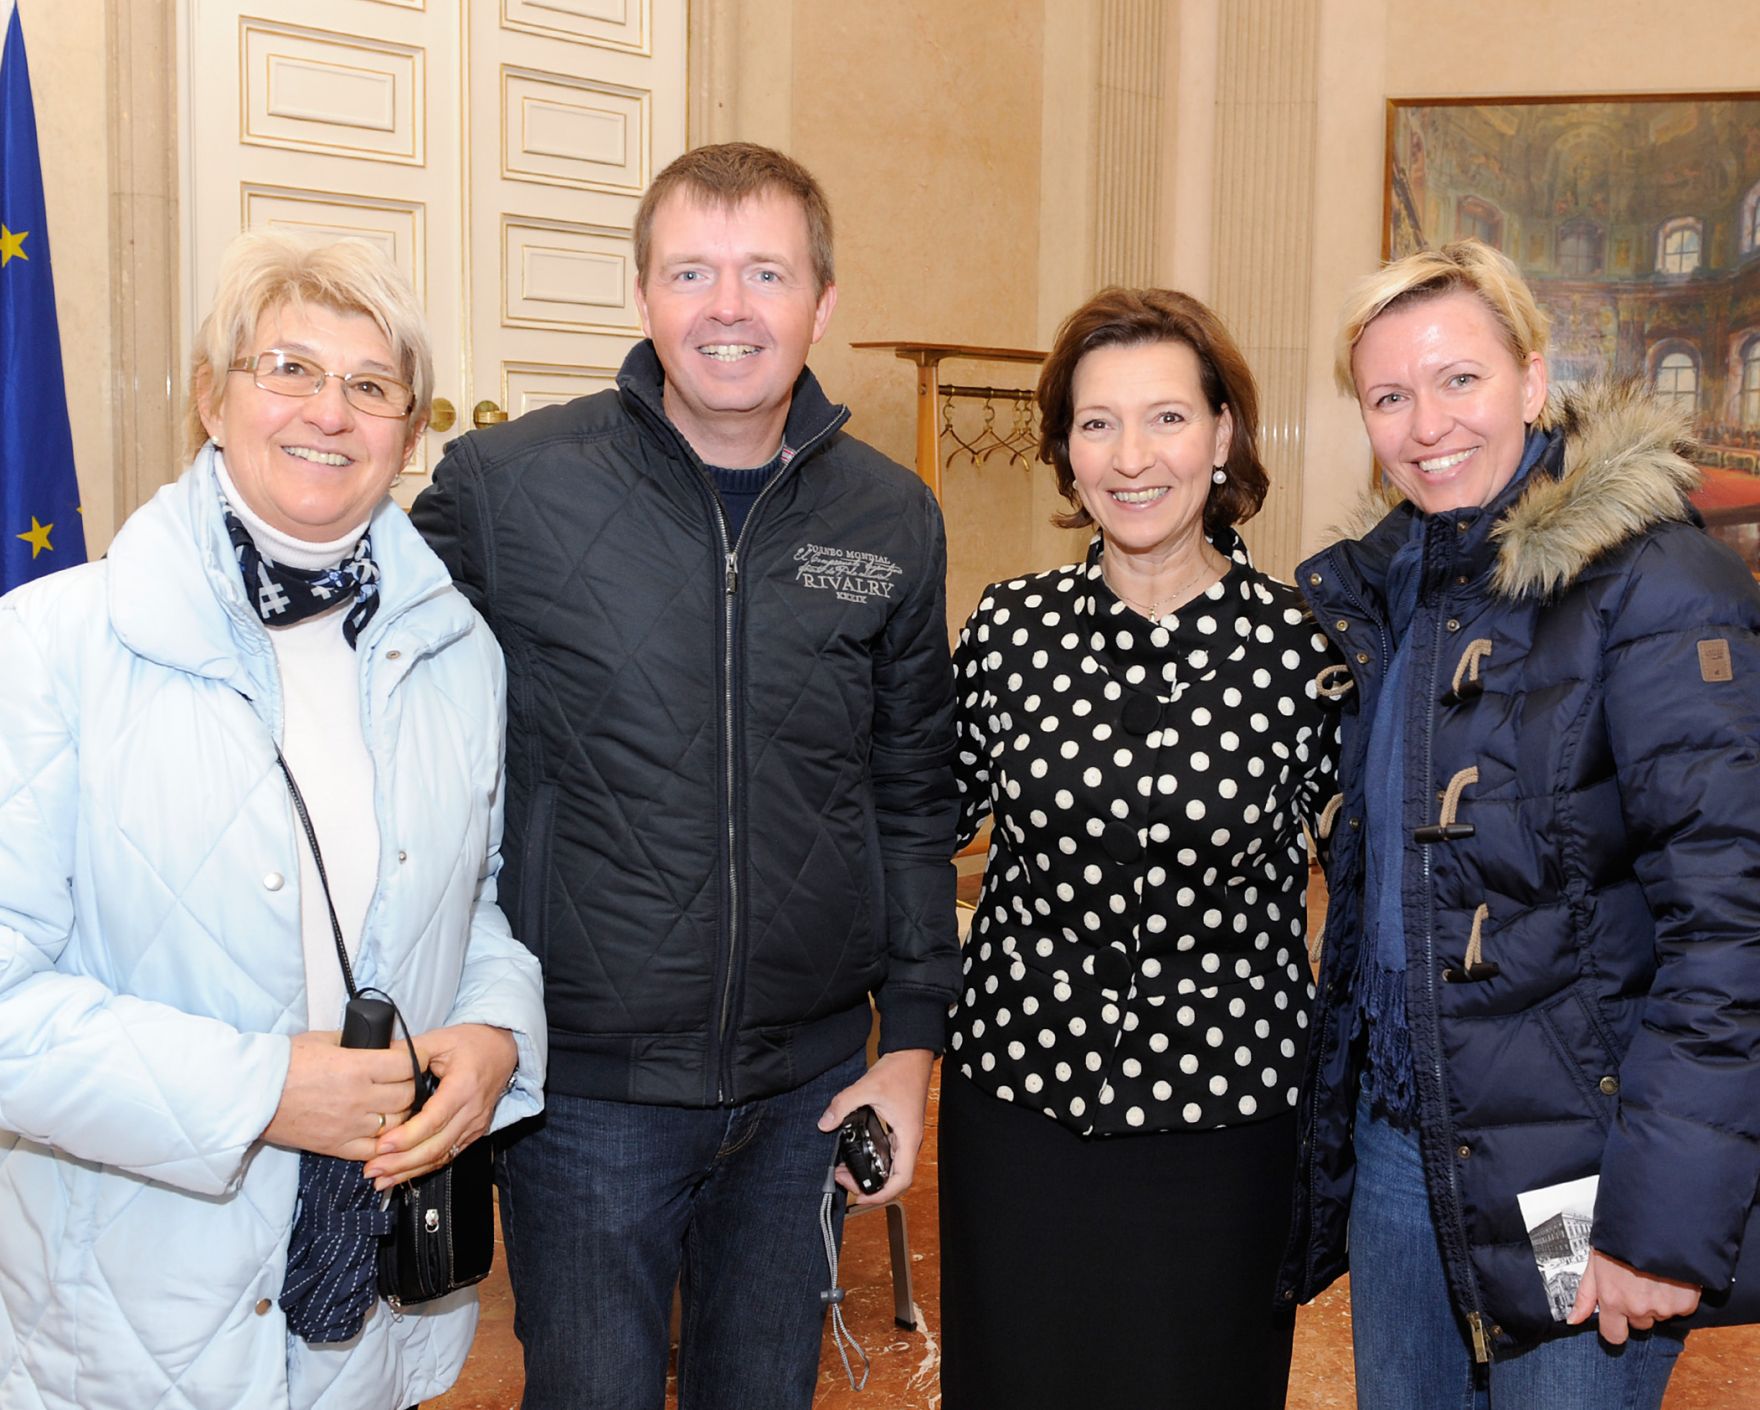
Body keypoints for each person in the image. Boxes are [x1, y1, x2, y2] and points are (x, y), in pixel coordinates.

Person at [410, 142, 959, 1410]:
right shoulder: (504, 490)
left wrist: (912, 1046)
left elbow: (911, 792)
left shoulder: (890, 518)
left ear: (823, 302)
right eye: (691, 272)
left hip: (807, 1095)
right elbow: (374, 704)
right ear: (642, 295)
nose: (727, 306)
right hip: (584, 1096)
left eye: (765, 272)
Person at [0, 231, 547, 1410]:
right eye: (288, 368)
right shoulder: (51, 646)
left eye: (370, 385)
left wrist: (496, 1039)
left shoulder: (460, 658)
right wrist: (257, 1091)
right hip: (135, 1322)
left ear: (408, 428)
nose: (329, 412)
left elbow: (479, 905)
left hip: (373, 1320)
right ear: (211, 396)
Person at [1281, 239, 1760, 1408]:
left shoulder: (1658, 587)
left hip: (1579, 1180)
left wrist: (1656, 1222)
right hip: (1404, 1151)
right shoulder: (1385, 592)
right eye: (1388, 396)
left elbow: (1728, 928)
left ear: (1533, 381)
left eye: (1459, 381)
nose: (1425, 424)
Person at [938, 287, 1340, 1409]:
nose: (1130, 457)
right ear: (1063, 452)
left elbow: (1371, 879)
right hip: (1017, 1107)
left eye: (1165, 418)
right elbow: (917, 824)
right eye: (1095, 422)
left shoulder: (1304, 649)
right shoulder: (1008, 628)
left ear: (1221, 434)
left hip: (1224, 1125)